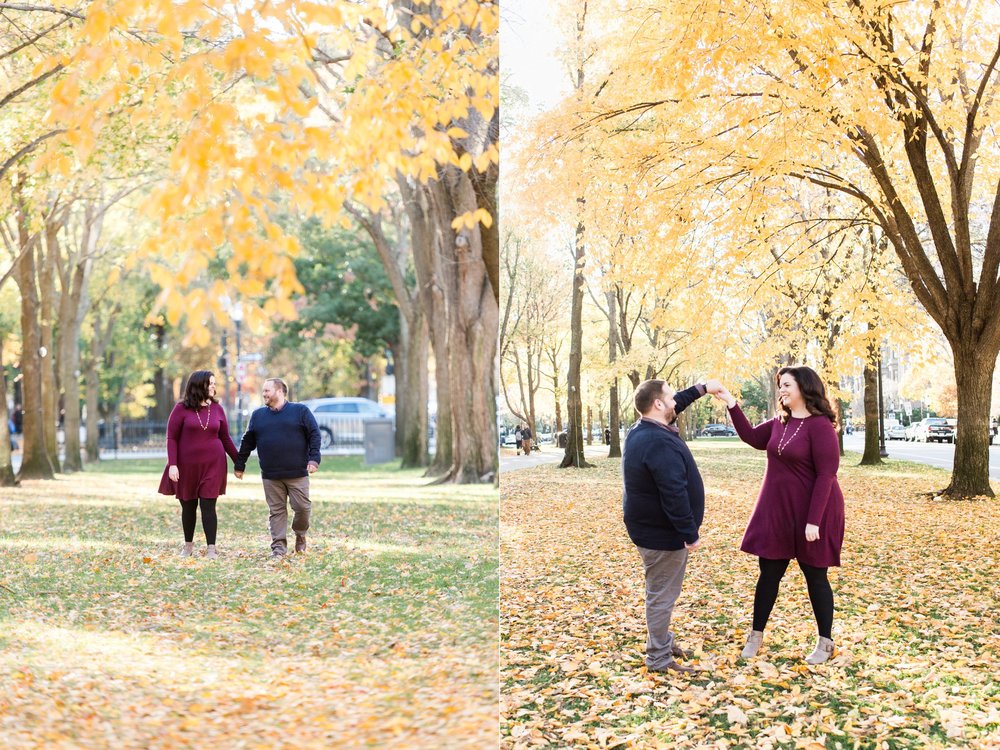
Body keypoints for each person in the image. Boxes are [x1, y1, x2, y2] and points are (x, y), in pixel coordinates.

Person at [709, 367, 845, 665]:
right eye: (779, 385)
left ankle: (825, 643)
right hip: (779, 511)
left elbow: (826, 476)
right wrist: (731, 403)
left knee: (815, 576)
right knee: (768, 574)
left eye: (786, 385)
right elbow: (751, 437)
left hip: (814, 512)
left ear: (804, 388)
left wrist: (813, 521)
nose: (781, 390)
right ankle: (755, 636)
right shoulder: (779, 422)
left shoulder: (821, 427)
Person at [622, 380, 710, 674]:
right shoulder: (657, 441)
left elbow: (675, 404)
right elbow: (673, 492)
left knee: (659, 591)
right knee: (661, 595)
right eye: (670, 397)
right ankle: (658, 657)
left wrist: (704, 388)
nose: (676, 401)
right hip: (661, 534)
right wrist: (689, 533)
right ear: (658, 404)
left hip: (650, 528)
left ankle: (662, 641)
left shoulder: (643, 428)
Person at [234, 378, 321, 558]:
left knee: (302, 508)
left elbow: (315, 434)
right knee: (276, 512)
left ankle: (300, 534)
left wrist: (314, 459)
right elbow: (247, 441)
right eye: (263, 391)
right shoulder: (258, 415)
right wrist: (240, 464)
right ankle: (278, 549)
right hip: (271, 475)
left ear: (280, 391)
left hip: (297, 473)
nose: (264, 394)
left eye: (267, 390)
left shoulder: (300, 411)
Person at [158, 371, 239, 559]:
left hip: (214, 465)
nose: (213, 387)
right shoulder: (181, 409)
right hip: (186, 466)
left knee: (208, 504)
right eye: (210, 383)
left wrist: (239, 462)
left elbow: (225, 438)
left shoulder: (217, 409)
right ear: (198, 385)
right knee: (188, 506)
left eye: (214, 383)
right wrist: (173, 464)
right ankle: (188, 546)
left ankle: (211, 548)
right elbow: (172, 438)